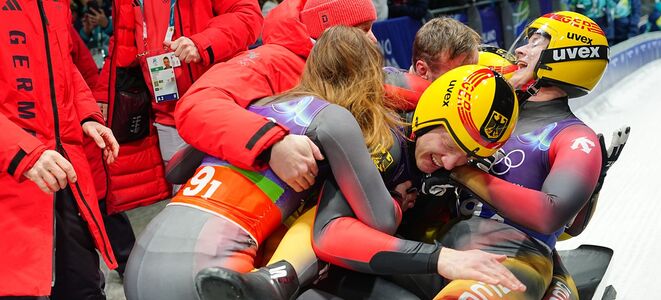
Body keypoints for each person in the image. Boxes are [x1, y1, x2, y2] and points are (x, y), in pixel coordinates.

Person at [126, 26, 521, 300]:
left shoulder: (259, 104)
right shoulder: (334, 120)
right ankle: (275, 280)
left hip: (142, 260)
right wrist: (397, 200)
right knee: (331, 206)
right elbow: (379, 221)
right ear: (370, 75)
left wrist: (261, 148)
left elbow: (177, 168)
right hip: (211, 275)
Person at [391, 11, 609, 299]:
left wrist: (462, 173)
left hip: (513, 259)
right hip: (439, 245)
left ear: (566, 59)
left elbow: (551, 215)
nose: (520, 50)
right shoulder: (481, 100)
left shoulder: (577, 138)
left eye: (535, 44)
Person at [174, 0, 379, 195]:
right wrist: (271, 145)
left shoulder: (339, 66)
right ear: (332, 34)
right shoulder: (270, 62)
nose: (373, 40)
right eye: (363, 30)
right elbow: (197, 106)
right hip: (250, 201)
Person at [96, 0, 262, 215]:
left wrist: (202, 43)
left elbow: (248, 15)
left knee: (236, 201)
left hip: (221, 107)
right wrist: (104, 94)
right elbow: (121, 46)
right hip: (168, 117)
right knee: (187, 206)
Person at [0, 1, 120, 298]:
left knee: (83, 285)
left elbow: (63, 63)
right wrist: (21, 151)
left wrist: (86, 114)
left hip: (62, 171)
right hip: (13, 178)